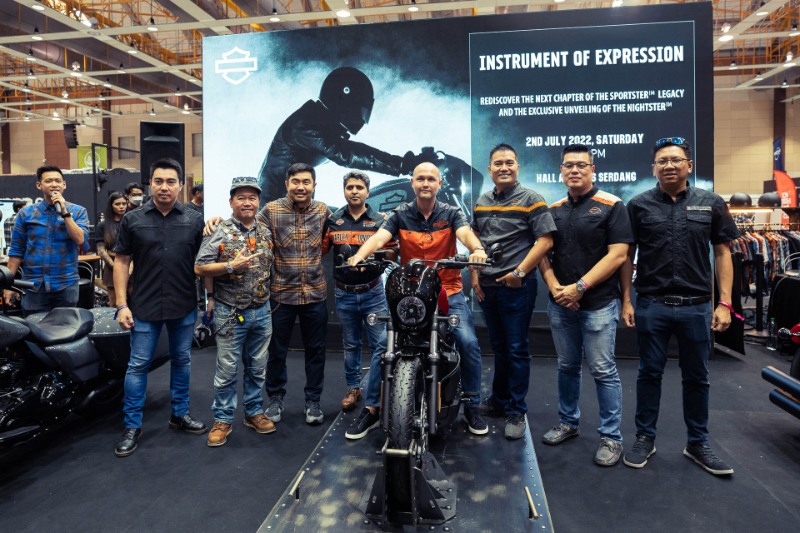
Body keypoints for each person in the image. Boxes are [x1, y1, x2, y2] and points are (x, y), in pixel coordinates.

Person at [620, 137, 738, 476]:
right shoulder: (638, 205)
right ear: (653, 168)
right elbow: (627, 256)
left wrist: (725, 303)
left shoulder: (711, 203)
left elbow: (722, 253)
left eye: (675, 159)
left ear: (689, 165)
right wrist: (626, 299)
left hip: (697, 308)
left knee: (697, 377)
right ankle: (645, 438)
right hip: (651, 305)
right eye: (662, 161)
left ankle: (698, 443)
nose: (669, 165)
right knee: (648, 374)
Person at [348, 162, 490, 435]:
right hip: (411, 292)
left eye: (431, 179)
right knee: (382, 345)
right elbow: (379, 238)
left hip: (447, 289)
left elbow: (465, 234)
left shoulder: (451, 213)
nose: (426, 183)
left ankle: (472, 405)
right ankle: (372, 408)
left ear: (439, 184)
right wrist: (360, 255)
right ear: (412, 183)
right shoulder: (400, 214)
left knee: (468, 342)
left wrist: (477, 249)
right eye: (420, 179)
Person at [537, 144, 632, 466]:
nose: (574, 170)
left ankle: (611, 437)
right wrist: (556, 288)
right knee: (566, 366)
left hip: (598, 304)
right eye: (568, 165)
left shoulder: (612, 205)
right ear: (561, 171)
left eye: (581, 165)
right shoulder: (554, 209)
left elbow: (618, 255)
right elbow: (543, 253)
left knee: (603, 370)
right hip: (561, 304)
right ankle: (568, 422)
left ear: (593, 170)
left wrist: (579, 289)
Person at [112, 158, 206, 458]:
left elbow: (203, 262)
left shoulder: (194, 219)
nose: (164, 187)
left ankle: (179, 414)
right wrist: (121, 304)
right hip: (144, 305)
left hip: (183, 303)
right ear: (150, 184)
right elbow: (121, 262)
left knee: (182, 360)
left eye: (170, 182)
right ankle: (132, 426)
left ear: (181, 185)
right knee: (138, 365)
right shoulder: (133, 219)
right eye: (158, 181)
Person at [470, 143, 555, 440]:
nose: (504, 167)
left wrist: (519, 273)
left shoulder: (532, 199)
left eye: (509, 162)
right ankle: (499, 400)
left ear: (517, 166)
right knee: (500, 347)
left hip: (517, 287)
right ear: (490, 169)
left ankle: (517, 410)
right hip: (488, 287)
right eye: (498, 163)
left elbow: (545, 241)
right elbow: (476, 240)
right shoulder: (481, 201)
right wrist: (475, 275)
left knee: (516, 348)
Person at [256, 66, 428, 204]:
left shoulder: (318, 121)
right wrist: (401, 165)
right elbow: (346, 154)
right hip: (277, 211)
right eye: (358, 108)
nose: (360, 117)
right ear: (345, 101)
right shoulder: (306, 123)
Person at [195, 176, 276, 447]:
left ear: (259, 201)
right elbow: (200, 267)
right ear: (231, 202)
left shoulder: (266, 231)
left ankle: (253, 412)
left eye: (252, 198)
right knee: (227, 370)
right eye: (241, 197)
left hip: (262, 311)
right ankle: (223, 419)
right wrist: (231, 266)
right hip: (230, 311)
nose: (247, 202)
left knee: (258, 367)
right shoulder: (218, 230)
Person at [321, 171, 395, 439]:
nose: (354, 191)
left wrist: (375, 257)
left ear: (367, 192)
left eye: (359, 187)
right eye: (350, 187)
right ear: (344, 191)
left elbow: (393, 251)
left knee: (380, 346)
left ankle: (378, 393)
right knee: (351, 344)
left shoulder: (380, 220)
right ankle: (354, 388)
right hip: (344, 293)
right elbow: (321, 250)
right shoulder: (333, 221)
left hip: (373, 292)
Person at [4, 166, 89, 315]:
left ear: (64, 185)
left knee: (66, 327)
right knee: (33, 326)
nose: (54, 185)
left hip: (66, 284)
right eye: (48, 181)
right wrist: (8, 285)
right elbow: (16, 250)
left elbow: (80, 239)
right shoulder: (26, 213)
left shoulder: (78, 211)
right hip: (33, 286)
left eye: (58, 181)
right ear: (39, 185)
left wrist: (64, 212)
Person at [95, 192, 128, 307]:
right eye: (117, 204)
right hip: (111, 266)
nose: (121, 206)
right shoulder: (103, 226)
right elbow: (101, 251)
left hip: (131, 265)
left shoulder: (131, 222)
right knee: (115, 305)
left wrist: (130, 267)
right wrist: (116, 267)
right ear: (111, 206)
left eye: (124, 203)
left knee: (134, 302)